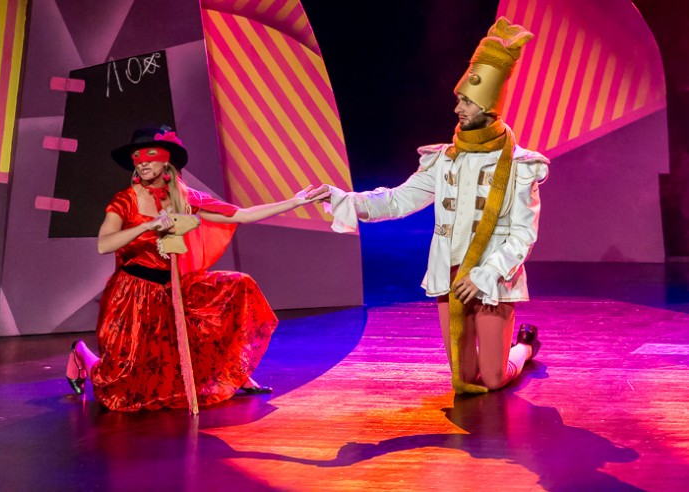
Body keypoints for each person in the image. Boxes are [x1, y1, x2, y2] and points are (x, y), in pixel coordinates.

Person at [308, 18, 549, 394]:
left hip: (492, 278)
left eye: (466, 101)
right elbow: (397, 199)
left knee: (493, 378)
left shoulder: (520, 166)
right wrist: (343, 199)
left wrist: (485, 274)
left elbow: (522, 234)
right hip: (450, 277)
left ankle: (524, 347)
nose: (457, 108)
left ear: (488, 105)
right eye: (459, 99)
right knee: (464, 380)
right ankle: (500, 351)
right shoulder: (444, 159)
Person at [65, 126, 328, 411]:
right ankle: (81, 354)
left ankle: (230, 374)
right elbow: (104, 244)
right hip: (132, 297)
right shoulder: (125, 201)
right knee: (121, 388)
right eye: (137, 158)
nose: (142, 163)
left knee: (237, 288)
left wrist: (294, 202)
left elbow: (240, 215)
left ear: (166, 161)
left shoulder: (184, 198)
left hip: (174, 289)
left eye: (150, 156)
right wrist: (148, 226)